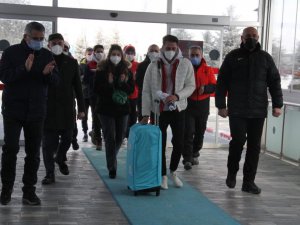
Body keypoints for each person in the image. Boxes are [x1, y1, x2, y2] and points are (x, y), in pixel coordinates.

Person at [215, 27, 283, 194]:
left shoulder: (265, 58)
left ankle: (248, 182)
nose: (251, 38)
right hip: (237, 109)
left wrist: (277, 104)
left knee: (254, 147)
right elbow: (222, 82)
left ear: (258, 37)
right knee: (237, 141)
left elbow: (274, 82)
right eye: (248, 36)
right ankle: (232, 173)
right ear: (242, 38)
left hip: (258, 110)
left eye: (254, 36)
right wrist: (221, 105)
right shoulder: (232, 57)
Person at [0, 21, 59, 205]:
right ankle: (6, 190)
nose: (39, 42)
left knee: (33, 153)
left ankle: (29, 192)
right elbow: (4, 77)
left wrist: (49, 74)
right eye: (35, 38)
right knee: (11, 150)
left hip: (37, 111)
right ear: (26, 36)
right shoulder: (11, 53)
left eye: (41, 39)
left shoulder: (47, 54)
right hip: (13, 110)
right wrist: (23, 69)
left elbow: (56, 81)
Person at [141, 35, 195, 189]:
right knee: (159, 143)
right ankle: (162, 174)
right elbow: (145, 91)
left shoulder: (185, 64)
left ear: (177, 48)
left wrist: (177, 96)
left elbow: (191, 86)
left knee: (179, 142)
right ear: (162, 47)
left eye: (173, 48)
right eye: (168, 48)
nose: (171, 51)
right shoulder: (153, 65)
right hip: (158, 110)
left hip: (178, 108)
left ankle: (173, 171)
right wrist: (145, 114)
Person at [41, 33, 85, 185]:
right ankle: (49, 174)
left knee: (68, 137)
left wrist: (81, 108)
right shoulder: (42, 60)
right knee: (48, 143)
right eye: (54, 43)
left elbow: (78, 88)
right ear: (48, 45)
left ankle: (60, 157)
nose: (57, 45)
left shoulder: (72, 63)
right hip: (47, 107)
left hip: (67, 107)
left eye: (59, 42)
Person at [94, 44, 134, 179]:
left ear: (121, 56)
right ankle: (112, 167)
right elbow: (97, 89)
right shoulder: (101, 69)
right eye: (113, 54)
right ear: (109, 55)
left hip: (122, 109)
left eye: (118, 54)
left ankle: (112, 157)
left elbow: (131, 90)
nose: (115, 57)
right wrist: (109, 83)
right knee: (110, 137)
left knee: (120, 136)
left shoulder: (127, 70)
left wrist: (122, 82)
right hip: (105, 109)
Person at [182, 46, 216, 170]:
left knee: (200, 132)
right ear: (189, 56)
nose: (194, 57)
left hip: (203, 105)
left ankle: (195, 152)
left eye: (197, 55)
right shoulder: (185, 69)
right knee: (188, 131)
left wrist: (205, 88)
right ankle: (187, 158)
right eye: (192, 55)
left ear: (201, 56)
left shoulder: (208, 70)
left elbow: (214, 86)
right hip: (188, 104)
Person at [84, 44, 105, 150]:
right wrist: (94, 74)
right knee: (96, 116)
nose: (100, 53)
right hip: (93, 95)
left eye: (101, 51)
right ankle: (98, 140)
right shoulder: (89, 64)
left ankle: (98, 134)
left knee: (104, 116)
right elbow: (85, 80)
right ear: (94, 52)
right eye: (98, 51)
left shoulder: (106, 64)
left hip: (105, 95)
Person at [136, 44, 160, 121]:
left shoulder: (161, 65)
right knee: (142, 118)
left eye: (156, 51)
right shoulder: (141, 65)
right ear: (148, 52)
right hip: (143, 95)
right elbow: (138, 81)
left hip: (156, 97)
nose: (154, 52)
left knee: (155, 120)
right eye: (151, 51)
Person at [124, 45, 139, 138]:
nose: (130, 55)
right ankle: (124, 134)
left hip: (135, 95)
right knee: (125, 116)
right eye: (128, 53)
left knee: (133, 116)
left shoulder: (138, 65)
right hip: (124, 95)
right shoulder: (122, 64)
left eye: (132, 53)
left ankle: (130, 134)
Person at [79, 47, 93, 142]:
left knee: (95, 114)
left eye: (91, 53)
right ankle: (85, 132)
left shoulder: (96, 64)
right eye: (88, 54)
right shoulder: (81, 65)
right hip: (84, 94)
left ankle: (94, 131)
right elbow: (78, 78)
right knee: (84, 114)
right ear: (85, 54)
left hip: (93, 94)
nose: (90, 55)